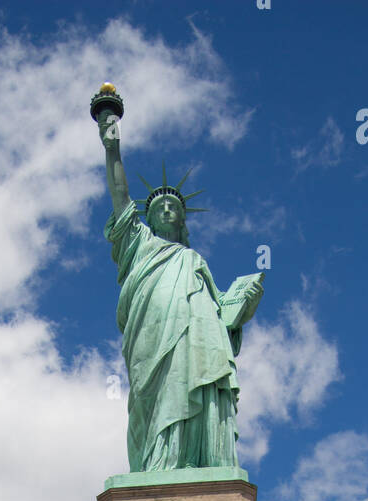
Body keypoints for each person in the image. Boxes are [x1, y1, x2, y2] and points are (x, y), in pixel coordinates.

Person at [97, 100, 265, 474]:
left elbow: (222, 317)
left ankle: (200, 460)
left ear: (183, 220)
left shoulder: (194, 262)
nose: (168, 211)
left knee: (199, 379)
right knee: (156, 395)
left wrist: (241, 308)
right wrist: (111, 147)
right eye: (160, 208)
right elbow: (120, 196)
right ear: (150, 218)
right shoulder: (138, 246)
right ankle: (160, 466)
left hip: (197, 338)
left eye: (175, 207)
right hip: (151, 338)